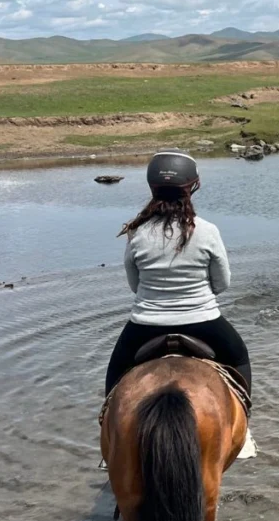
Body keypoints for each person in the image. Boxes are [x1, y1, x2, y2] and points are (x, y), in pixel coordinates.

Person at [104, 149, 252, 398]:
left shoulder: (136, 233)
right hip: (204, 322)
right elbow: (223, 283)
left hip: (145, 326)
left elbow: (134, 285)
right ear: (192, 187)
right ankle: (245, 420)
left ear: (152, 187)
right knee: (240, 356)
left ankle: (106, 425)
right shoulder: (207, 230)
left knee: (114, 375)